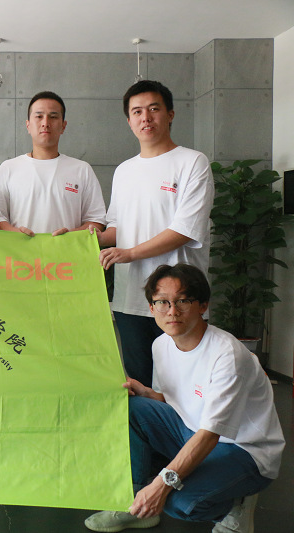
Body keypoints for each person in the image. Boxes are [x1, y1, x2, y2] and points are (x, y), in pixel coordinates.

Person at [84, 263, 284, 533]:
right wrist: (147, 394)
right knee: (130, 407)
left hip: (243, 450)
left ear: (203, 306)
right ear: (151, 308)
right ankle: (136, 505)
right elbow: (174, 401)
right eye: (162, 302)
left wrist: (161, 484)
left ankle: (236, 504)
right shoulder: (161, 344)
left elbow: (211, 434)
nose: (172, 311)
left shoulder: (227, 355)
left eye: (183, 301)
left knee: (177, 502)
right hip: (191, 430)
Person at [92, 80, 214, 387]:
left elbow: (185, 229)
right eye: (137, 112)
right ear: (129, 121)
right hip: (131, 297)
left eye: (153, 109)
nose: (145, 117)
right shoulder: (124, 171)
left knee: (186, 387)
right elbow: (116, 229)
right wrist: (83, 238)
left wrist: (130, 253)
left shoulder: (192, 162)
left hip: (178, 299)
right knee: (140, 385)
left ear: (170, 114)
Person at [0, 91, 106, 236]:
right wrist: (18, 235)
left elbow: (96, 219)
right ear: (28, 125)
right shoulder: (8, 168)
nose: (45, 123)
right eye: (39, 116)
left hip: (67, 250)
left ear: (63, 126)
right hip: (19, 250)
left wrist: (70, 235)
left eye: (53, 117)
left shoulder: (82, 170)